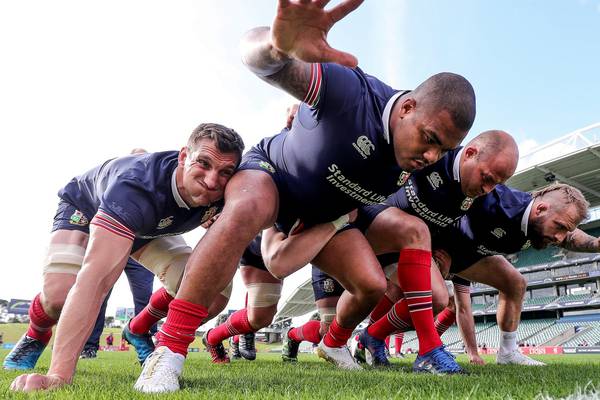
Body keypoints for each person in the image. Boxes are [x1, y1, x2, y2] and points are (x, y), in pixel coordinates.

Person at [134, 1, 476, 392]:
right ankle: (170, 349)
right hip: (276, 180)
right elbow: (261, 61)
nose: (432, 156)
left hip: (324, 218)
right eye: (430, 139)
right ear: (407, 107)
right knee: (248, 207)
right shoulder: (349, 92)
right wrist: (277, 47)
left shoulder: (428, 157)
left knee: (371, 284)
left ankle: (334, 344)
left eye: (444, 150)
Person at [8, 123, 244, 393]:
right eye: (202, 163)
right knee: (60, 298)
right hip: (88, 208)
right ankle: (35, 333)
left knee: (212, 290)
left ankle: (138, 329)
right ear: (183, 157)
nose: (213, 180)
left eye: (224, 172)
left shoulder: (230, 188)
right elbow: (95, 282)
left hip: (151, 228)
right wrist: (59, 375)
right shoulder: (137, 187)